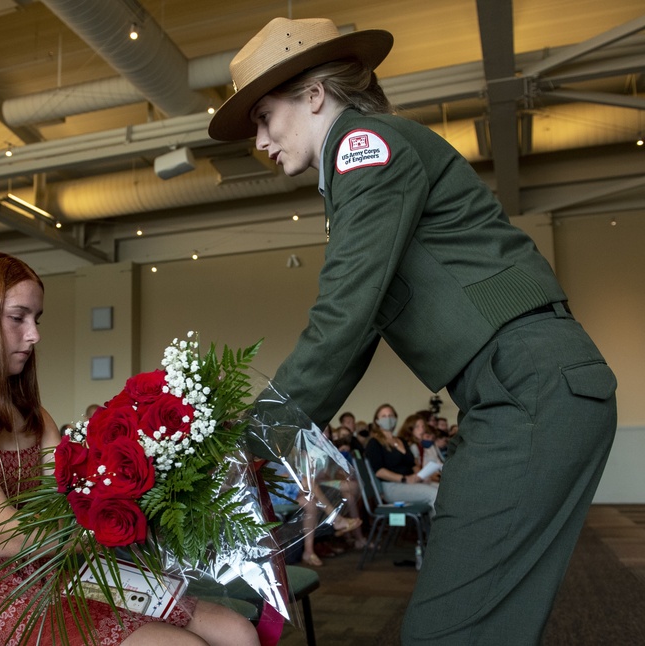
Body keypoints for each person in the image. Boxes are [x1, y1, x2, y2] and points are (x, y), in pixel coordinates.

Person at [209, 17, 618, 644]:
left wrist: (252, 442)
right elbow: (358, 331)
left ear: (314, 95)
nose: (260, 140)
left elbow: (344, 314)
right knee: (478, 620)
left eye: (265, 116)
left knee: (448, 628)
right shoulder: (361, 161)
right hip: (519, 388)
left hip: (528, 385)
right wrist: (263, 443)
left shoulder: (362, 145)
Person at [0, 251, 257, 646]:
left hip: (46, 574)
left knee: (236, 630)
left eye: (36, 319)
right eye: (17, 317)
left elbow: (76, 499)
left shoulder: (31, 415)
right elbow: (9, 539)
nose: (34, 334)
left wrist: (166, 467)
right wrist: (117, 521)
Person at [363, 405, 438, 512]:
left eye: (390, 415)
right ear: (377, 421)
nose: (388, 418)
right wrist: (404, 479)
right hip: (393, 487)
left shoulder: (401, 441)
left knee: (442, 491)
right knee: (434, 494)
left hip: (411, 483)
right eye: (384, 416)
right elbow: (379, 471)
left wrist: (421, 476)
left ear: (395, 418)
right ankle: (440, 528)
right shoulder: (374, 443)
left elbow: (412, 464)